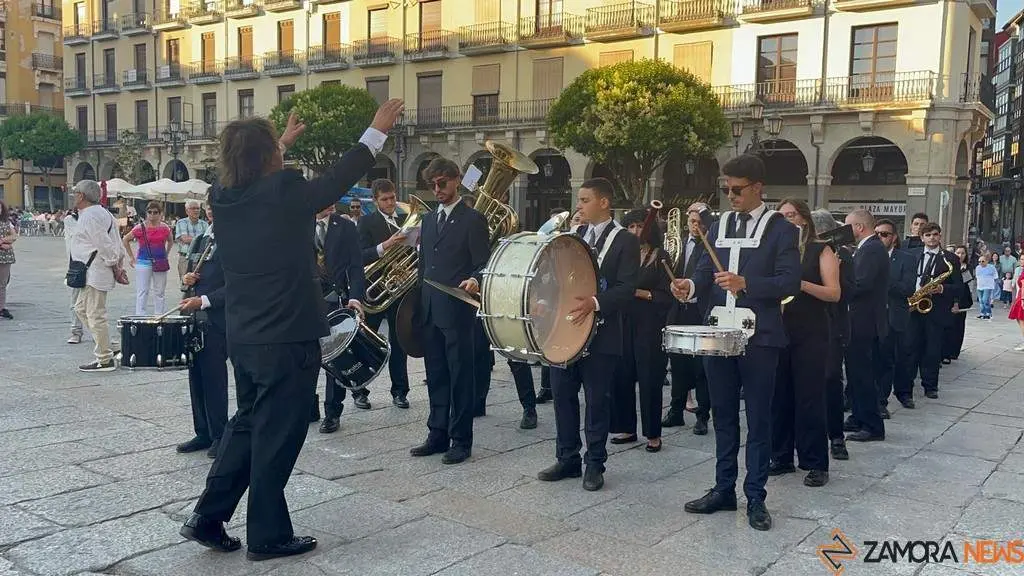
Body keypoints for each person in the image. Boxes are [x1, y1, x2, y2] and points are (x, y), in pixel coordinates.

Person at [178, 99, 404, 561]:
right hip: (286, 338)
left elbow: (249, 175)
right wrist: (374, 132)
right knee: (277, 434)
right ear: (268, 161)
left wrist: (275, 143)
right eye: (276, 153)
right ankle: (268, 535)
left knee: (246, 426)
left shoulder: (223, 195)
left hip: (244, 337)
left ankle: (207, 515)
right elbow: (335, 182)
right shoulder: (283, 189)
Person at [671, 155, 800, 531]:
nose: (731, 196)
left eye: (737, 189)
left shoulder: (781, 229)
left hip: (760, 337)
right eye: (726, 189)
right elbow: (703, 273)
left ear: (758, 187)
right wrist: (689, 287)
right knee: (723, 415)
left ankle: (756, 497)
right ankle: (724, 489)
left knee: (758, 418)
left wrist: (747, 285)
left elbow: (789, 283)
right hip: (718, 332)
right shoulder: (718, 225)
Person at [537, 177, 639, 492]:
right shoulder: (575, 235)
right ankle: (567, 458)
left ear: (603, 202)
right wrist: (543, 299)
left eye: (584, 200)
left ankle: (594, 464)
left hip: (603, 334)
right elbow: (556, 279)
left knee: (597, 402)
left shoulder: (625, 240)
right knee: (563, 397)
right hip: (566, 329)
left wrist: (595, 303)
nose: (578, 206)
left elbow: (627, 288)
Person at [409, 157, 490, 465]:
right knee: (436, 375)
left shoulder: (473, 219)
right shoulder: (428, 221)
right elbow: (422, 264)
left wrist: (475, 278)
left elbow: (484, 262)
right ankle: (437, 433)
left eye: (442, 183)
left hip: (457, 310)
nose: (437, 189)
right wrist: (418, 305)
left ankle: (461, 439)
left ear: (457, 180)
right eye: (432, 185)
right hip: (431, 309)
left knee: (460, 377)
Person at [771, 198, 840, 487]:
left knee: (809, 397)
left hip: (810, 330)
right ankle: (781, 456)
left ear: (804, 219)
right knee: (779, 395)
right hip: (779, 329)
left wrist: (801, 284)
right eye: (781, 216)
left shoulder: (820, 249)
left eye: (790, 215)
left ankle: (815, 463)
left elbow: (834, 293)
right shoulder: (776, 251)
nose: (785, 220)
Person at [610, 207, 671, 453]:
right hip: (623, 322)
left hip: (650, 324)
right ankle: (626, 427)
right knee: (621, 375)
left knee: (649, 378)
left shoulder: (660, 255)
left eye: (639, 226)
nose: (635, 231)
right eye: (631, 226)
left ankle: (653, 434)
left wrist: (638, 293)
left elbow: (666, 296)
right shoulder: (621, 254)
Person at [177, 205, 228, 459]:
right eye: (209, 208)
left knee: (214, 378)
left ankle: (221, 434)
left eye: (214, 208)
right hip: (195, 317)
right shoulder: (201, 238)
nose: (210, 212)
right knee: (195, 376)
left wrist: (205, 300)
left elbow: (237, 286)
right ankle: (203, 431)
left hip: (219, 319)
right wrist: (186, 279)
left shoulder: (234, 242)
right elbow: (189, 273)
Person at [357, 178, 410, 408]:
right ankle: (360, 390)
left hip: (401, 289)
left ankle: (400, 392)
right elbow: (360, 255)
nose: (390, 203)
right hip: (376, 290)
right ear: (375, 200)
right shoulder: (366, 222)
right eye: (385, 199)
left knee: (400, 343)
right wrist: (386, 245)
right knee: (368, 342)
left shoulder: (405, 220)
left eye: (392, 198)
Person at [314, 203, 366, 434]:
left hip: (336, 300)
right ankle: (306, 407)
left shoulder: (344, 226)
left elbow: (356, 266)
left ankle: (332, 412)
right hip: (306, 302)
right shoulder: (297, 223)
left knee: (334, 359)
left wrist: (355, 297)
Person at [662, 204, 713, 435]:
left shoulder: (711, 246)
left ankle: (703, 415)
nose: (695, 226)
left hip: (700, 310)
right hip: (678, 309)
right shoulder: (679, 244)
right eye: (692, 221)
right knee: (678, 361)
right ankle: (676, 410)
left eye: (699, 222)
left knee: (701, 366)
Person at [69, 180, 127, 372]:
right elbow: (116, 242)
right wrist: (118, 264)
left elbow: (104, 244)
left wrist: (114, 265)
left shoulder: (90, 215)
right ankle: (110, 346)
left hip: (95, 270)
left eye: (75, 192)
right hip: (93, 270)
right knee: (81, 308)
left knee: (94, 313)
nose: (73, 195)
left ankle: (104, 359)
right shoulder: (102, 213)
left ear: (81, 196)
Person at [841, 209, 888, 443]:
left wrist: (838, 286)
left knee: (863, 374)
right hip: (858, 320)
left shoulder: (872, 248)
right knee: (855, 373)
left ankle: (872, 425)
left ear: (859, 227)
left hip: (865, 321)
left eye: (848, 225)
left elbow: (862, 283)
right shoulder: (867, 248)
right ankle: (858, 417)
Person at [903, 222, 961, 401]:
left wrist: (943, 289)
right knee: (910, 349)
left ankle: (930, 386)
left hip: (936, 310)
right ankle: (906, 388)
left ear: (940, 236)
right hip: (913, 308)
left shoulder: (950, 259)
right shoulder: (911, 255)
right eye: (927, 235)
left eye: (935, 234)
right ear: (921, 238)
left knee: (932, 350)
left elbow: (959, 287)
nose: (932, 238)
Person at [810, 209, 851, 460]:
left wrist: (838, 271)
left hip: (833, 326)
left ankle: (836, 437)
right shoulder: (802, 253)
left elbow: (849, 293)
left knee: (831, 380)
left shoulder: (842, 254)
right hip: (807, 325)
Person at [872, 218, 918, 413]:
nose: (880, 238)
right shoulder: (866, 255)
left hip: (893, 316)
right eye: (877, 234)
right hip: (870, 316)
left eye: (885, 234)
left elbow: (907, 288)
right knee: (873, 360)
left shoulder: (906, 258)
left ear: (894, 237)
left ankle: (888, 399)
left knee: (892, 360)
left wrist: (883, 279)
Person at [123, 201, 174, 315]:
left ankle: (159, 315)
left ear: (160, 214)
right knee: (142, 291)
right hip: (143, 262)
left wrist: (167, 253)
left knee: (159, 291)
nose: (152, 215)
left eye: (155, 212)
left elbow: (171, 240)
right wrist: (132, 257)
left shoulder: (165, 228)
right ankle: (140, 316)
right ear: (146, 213)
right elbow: (125, 239)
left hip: (160, 262)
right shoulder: (140, 227)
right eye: (149, 212)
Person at [943, 245, 974, 363]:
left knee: (958, 326)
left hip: (963, 300)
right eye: (958, 253)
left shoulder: (968, 268)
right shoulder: (948, 265)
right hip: (950, 299)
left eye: (962, 253)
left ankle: (954, 351)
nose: (960, 255)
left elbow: (964, 283)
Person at [175, 200, 209, 281]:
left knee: (200, 283)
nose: (196, 210)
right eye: (193, 208)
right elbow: (185, 239)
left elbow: (208, 241)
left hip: (200, 259)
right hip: (185, 258)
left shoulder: (205, 224)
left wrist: (195, 239)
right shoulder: (181, 222)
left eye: (198, 208)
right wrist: (201, 240)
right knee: (185, 285)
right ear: (187, 211)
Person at [0, 200, 15, 320]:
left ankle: (1, 307)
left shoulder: (6, 223)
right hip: (4, 251)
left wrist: (4, 241)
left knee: (2, 284)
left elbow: (14, 236)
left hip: (5, 257)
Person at [974, 252, 997, 320]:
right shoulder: (977, 267)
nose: (980, 263)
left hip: (988, 286)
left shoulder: (991, 267)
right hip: (980, 286)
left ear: (987, 261)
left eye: (982, 261)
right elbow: (977, 276)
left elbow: (995, 276)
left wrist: (992, 283)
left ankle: (988, 313)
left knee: (985, 300)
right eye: (979, 261)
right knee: (981, 301)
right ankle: (982, 313)